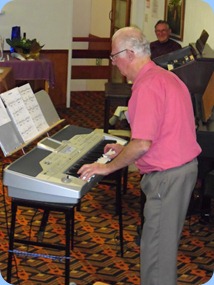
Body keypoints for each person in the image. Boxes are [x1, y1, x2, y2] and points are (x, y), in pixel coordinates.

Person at [78, 27, 201, 285]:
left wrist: (108, 167)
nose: (113, 62)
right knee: (162, 252)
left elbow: (144, 143)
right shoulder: (166, 77)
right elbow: (160, 135)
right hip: (182, 172)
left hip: (167, 179)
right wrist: (125, 150)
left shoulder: (146, 86)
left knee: (156, 260)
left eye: (114, 56)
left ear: (129, 53)